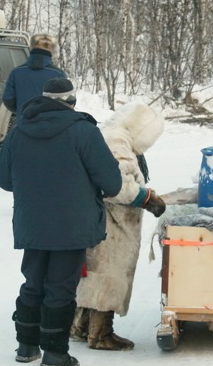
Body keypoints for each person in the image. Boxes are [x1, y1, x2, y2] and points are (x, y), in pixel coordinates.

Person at [0, 78, 122, 366]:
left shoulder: (19, 131)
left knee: (33, 283)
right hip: (72, 224)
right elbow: (112, 183)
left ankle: (26, 347)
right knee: (61, 287)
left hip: (32, 223)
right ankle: (55, 353)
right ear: (71, 101)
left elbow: (4, 180)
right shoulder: (84, 132)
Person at [70, 102, 166, 350]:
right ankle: (100, 334)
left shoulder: (110, 133)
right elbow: (118, 184)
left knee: (94, 273)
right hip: (113, 221)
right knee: (109, 272)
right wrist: (145, 198)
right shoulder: (118, 142)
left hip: (98, 216)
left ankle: (80, 326)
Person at [2, 34, 65, 114]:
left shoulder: (16, 72)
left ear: (32, 46)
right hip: (50, 123)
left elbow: (8, 99)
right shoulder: (58, 74)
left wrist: (21, 111)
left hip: (24, 122)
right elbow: (66, 101)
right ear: (52, 49)